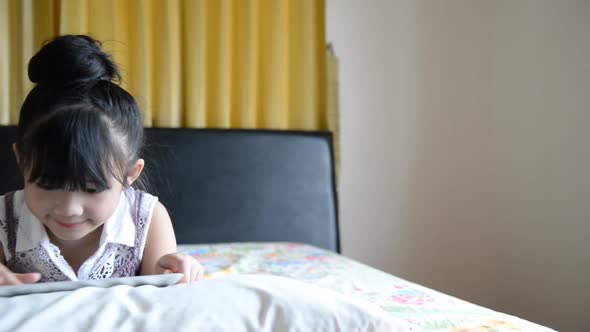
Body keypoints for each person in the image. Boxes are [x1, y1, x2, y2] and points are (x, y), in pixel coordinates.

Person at [0, 35, 203, 285]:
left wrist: (173, 276)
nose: (69, 209)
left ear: (131, 173)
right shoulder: (5, 220)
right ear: (21, 160)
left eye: (92, 188)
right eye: (48, 184)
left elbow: (159, 308)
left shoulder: (147, 220)